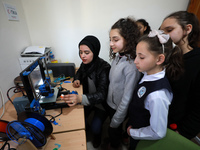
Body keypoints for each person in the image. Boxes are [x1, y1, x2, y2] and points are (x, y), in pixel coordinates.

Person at [127, 29, 184, 150]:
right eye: (136, 55)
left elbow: (158, 132)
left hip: (143, 141)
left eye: (141, 57)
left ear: (159, 59)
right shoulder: (147, 73)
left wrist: (133, 133)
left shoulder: (157, 95)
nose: (135, 61)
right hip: (135, 125)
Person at [62, 35, 111, 148]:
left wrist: (80, 98)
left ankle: (97, 137)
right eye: (80, 52)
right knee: (77, 118)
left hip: (100, 104)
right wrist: (77, 79)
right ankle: (87, 127)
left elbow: (102, 94)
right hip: (87, 99)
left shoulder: (104, 68)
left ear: (95, 51)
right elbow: (79, 72)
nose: (82, 56)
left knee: (95, 128)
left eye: (86, 52)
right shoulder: (85, 63)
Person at [160, 11, 200, 143]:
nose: (164, 36)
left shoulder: (196, 61)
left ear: (187, 29)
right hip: (160, 119)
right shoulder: (169, 56)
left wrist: (182, 132)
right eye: (162, 32)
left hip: (177, 127)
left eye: (169, 30)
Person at [103, 17, 141, 150]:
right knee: (113, 130)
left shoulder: (131, 66)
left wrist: (118, 118)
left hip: (119, 108)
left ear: (128, 39)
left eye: (115, 39)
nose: (111, 44)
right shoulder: (118, 56)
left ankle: (114, 145)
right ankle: (115, 138)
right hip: (111, 104)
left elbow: (127, 97)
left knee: (114, 129)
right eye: (110, 39)